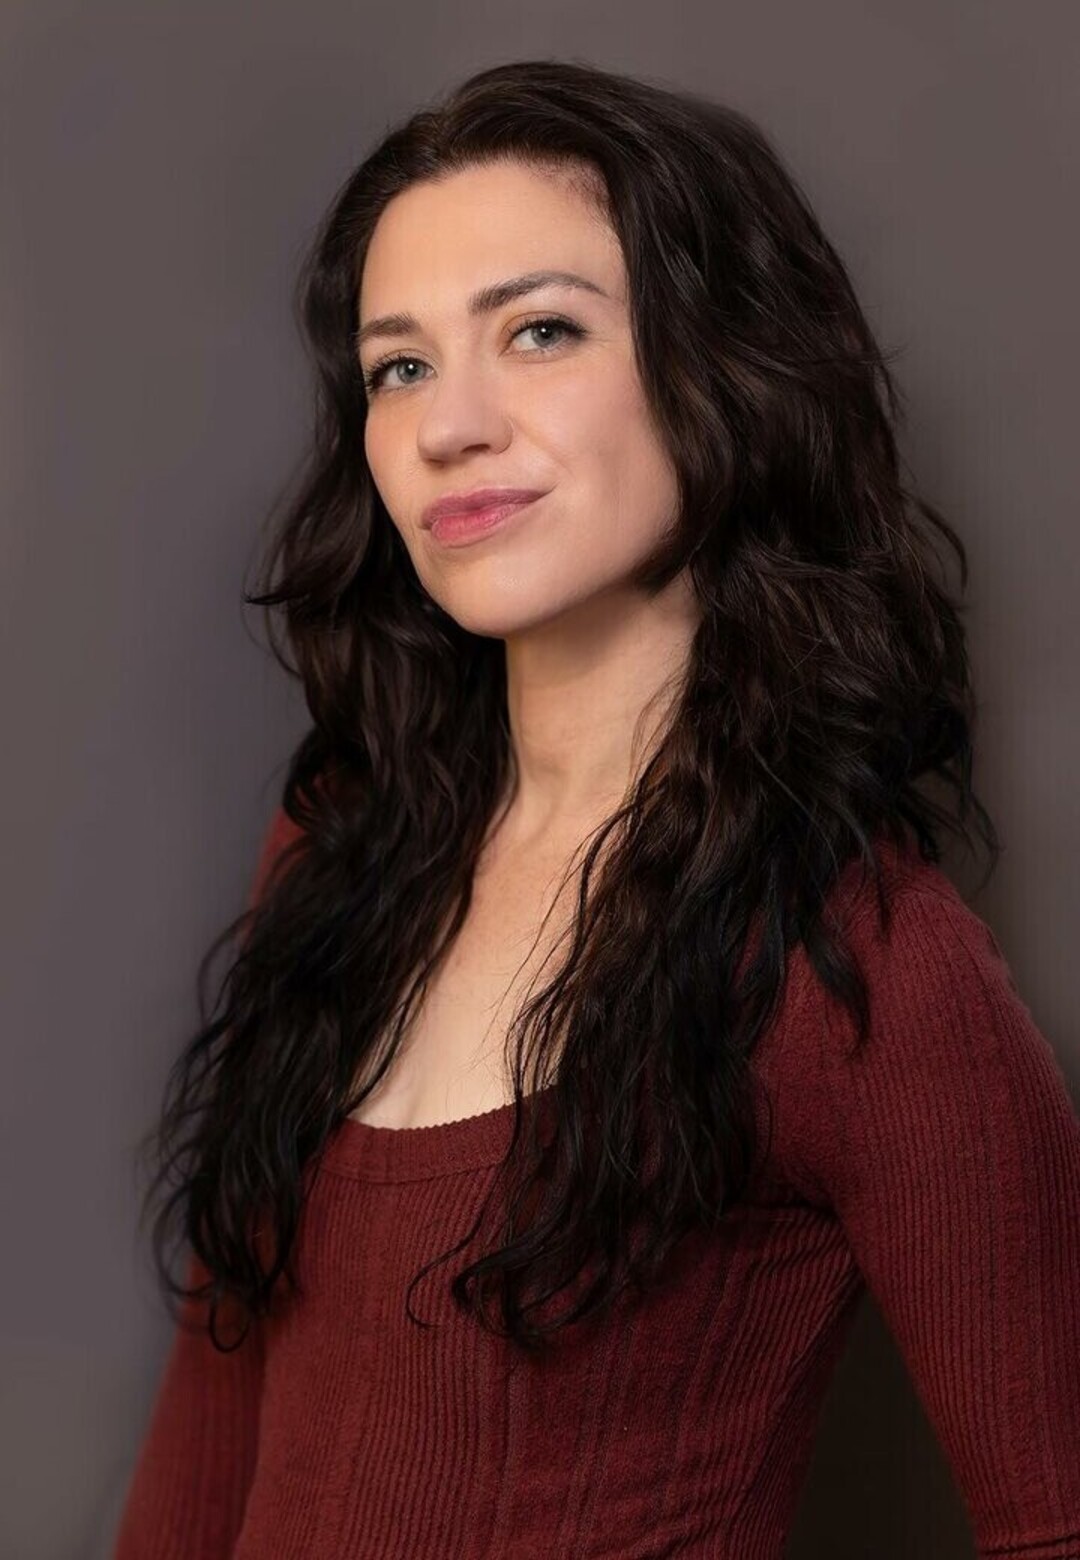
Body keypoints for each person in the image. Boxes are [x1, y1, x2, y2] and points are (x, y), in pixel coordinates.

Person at [113, 58, 1080, 1559]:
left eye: (541, 331)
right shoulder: (341, 851)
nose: (449, 425)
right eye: (399, 367)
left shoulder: (860, 966)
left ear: (724, 371)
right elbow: (207, 1439)